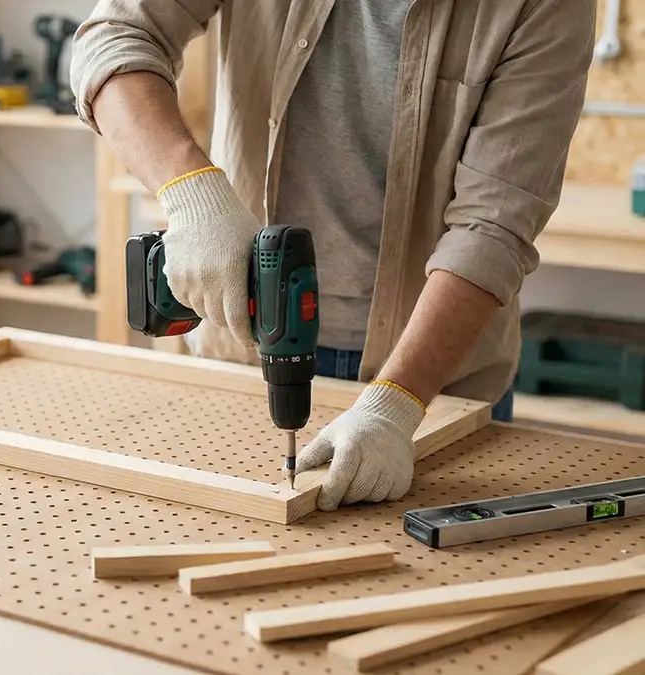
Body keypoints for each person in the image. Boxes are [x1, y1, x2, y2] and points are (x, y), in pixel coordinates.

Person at [69, 1, 595, 511]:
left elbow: (493, 225)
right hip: (238, 346)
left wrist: (396, 404)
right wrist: (192, 195)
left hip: (436, 379)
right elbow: (115, 36)